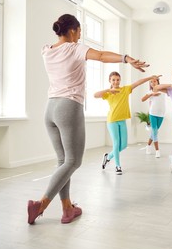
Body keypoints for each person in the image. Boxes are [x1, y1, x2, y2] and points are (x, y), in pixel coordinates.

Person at [27, 14, 149, 225]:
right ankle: (41, 204)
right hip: (68, 107)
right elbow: (101, 55)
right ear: (72, 30)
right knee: (74, 161)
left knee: (62, 161)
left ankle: (67, 209)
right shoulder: (74, 48)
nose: (81, 34)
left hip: (50, 108)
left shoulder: (47, 50)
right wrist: (126, 59)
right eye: (80, 30)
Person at [95, 72, 161, 175]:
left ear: (120, 80)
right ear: (110, 81)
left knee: (124, 145)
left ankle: (108, 157)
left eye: (117, 79)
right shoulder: (108, 93)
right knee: (116, 143)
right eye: (113, 80)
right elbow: (95, 95)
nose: (116, 82)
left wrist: (150, 77)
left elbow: (138, 82)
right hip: (112, 120)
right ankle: (118, 166)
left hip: (122, 120)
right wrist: (108, 90)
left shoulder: (125, 89)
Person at [141, 77, 166, 158]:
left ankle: (148, 145)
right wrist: (152, 94)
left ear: (158, 82)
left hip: (161, 114)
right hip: (153, 114)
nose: (153, 83)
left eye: (154, 81)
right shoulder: (150, 92)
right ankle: (157, 150)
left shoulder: (162, 90)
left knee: (154, 132)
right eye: (151, 82)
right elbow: (142, 99)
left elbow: (169, 87)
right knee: (155, 132)